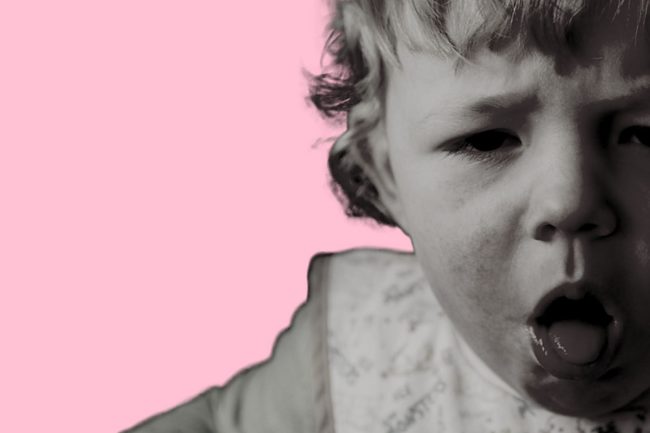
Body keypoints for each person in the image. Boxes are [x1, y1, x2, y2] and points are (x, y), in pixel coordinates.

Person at [122, 0, 650, 431]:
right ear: (383, 177)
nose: (569, 201)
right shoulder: (361, 353)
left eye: (643, 135)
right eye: (487, 141)